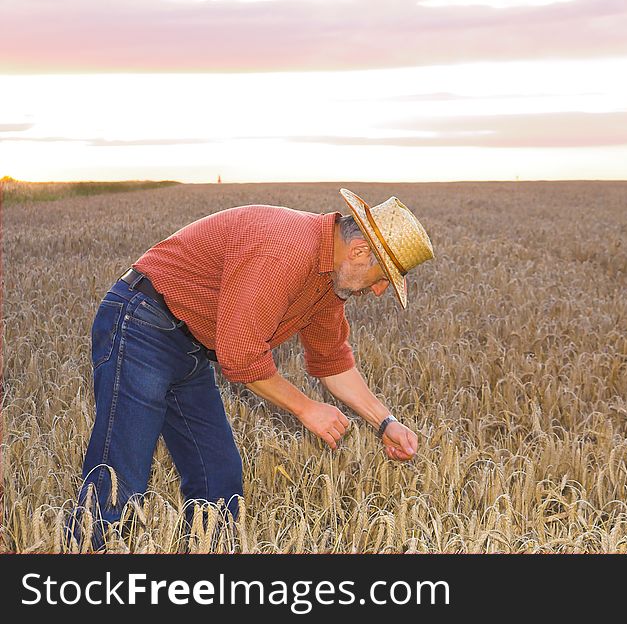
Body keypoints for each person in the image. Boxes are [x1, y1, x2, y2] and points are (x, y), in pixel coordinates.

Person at [72, 188, 434, 548]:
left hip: (189, 345)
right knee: (119, 476)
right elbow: (240, 354)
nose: (379, 291)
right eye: (383, 275)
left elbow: (332, 362)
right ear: (358, 251)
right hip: (142, 322)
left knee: (218, 477)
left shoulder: (329, 285)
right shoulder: (285, 251)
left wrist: (385, 422)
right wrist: (306, 408)